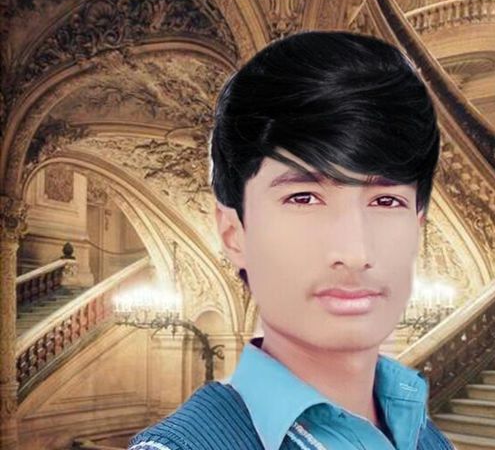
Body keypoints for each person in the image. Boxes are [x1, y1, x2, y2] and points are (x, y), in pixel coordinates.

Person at [128, 30, 454, 450]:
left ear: (417, 228)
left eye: (386, 200)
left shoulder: (425, 435)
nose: (354, 253)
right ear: (234, 234)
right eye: (304, 198)